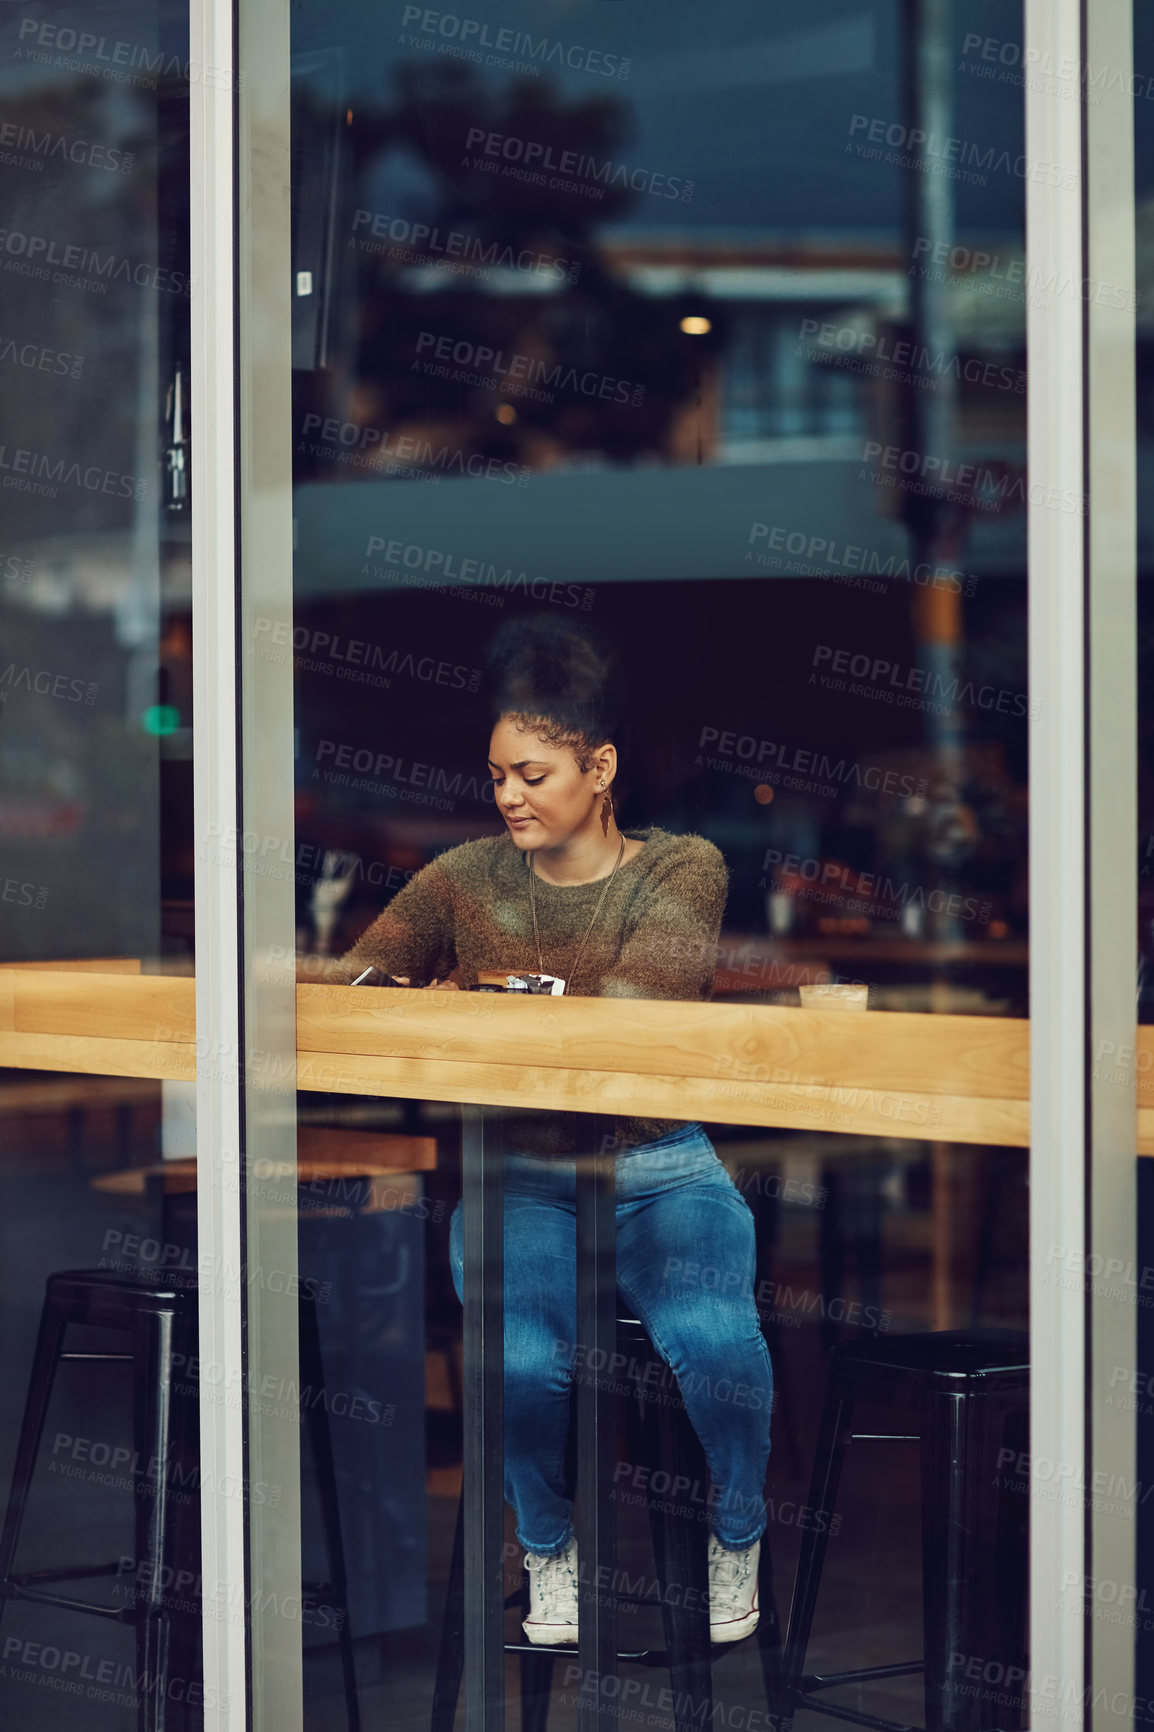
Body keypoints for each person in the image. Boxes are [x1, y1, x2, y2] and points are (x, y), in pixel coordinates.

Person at [328, 617, 773, 1646]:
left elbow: (641, 999)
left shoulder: (682, 867)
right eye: (495, 776)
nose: (508, 796)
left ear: (599, 766)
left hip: (659, 1165)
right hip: (519, 1170)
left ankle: (738, 1531)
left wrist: (468, 991)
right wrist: (412, 989)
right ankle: (546, 1548)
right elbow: (354, 987)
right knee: (519, 1362)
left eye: (530, 773)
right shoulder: (462, 877)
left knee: (713, 1342)